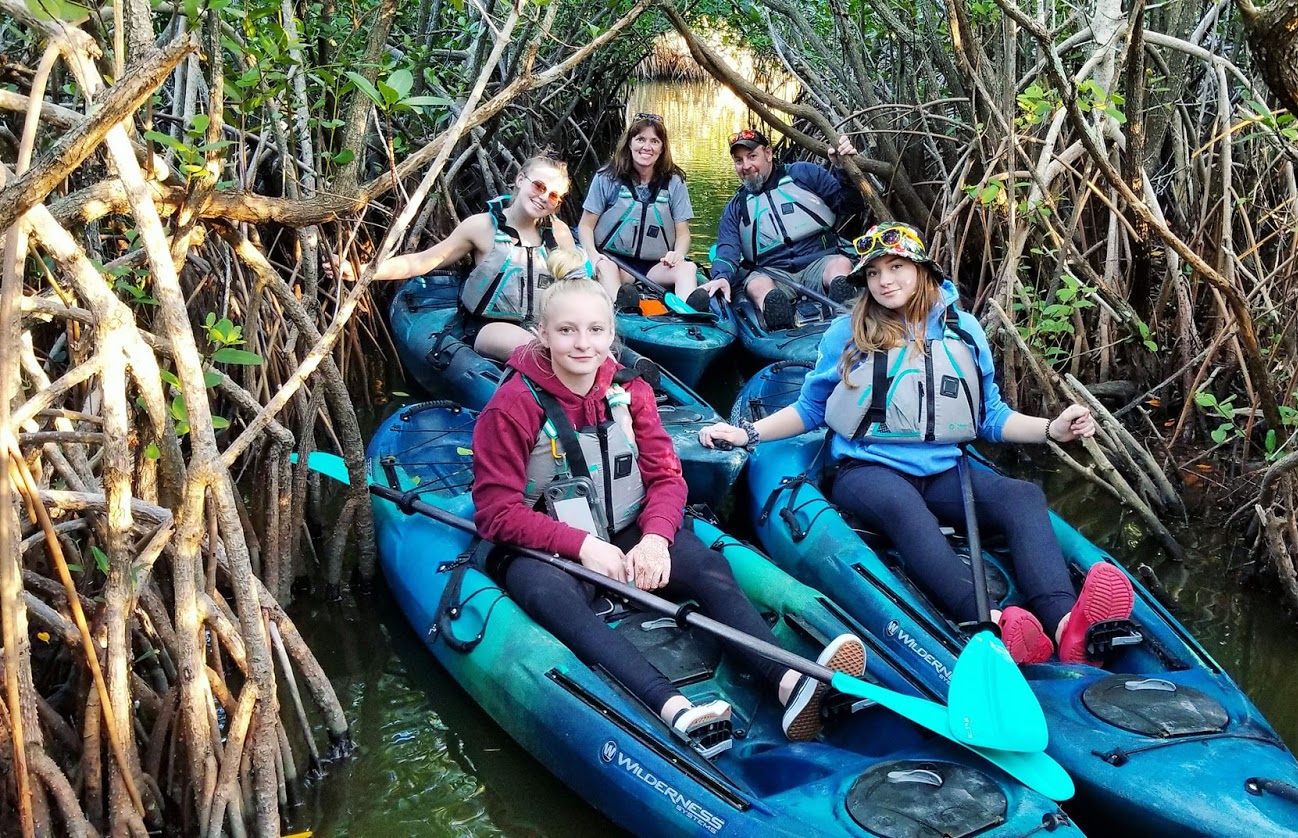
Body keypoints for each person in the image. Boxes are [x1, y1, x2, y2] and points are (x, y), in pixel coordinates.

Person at [699, 223, 1135, 666]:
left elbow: (990, 418)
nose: (883, 281)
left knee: (1023, 496)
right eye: (873, 273)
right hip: (867, 471)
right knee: (904, 508)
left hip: (943, 471)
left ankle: (1065, 624)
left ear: (922, 270)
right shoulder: (846, 333)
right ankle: (992, 622)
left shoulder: (964, 331)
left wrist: (1052, 429)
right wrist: (747, 434)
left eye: (896, 267)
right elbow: (810, 409)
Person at [473, 277, 867, 755]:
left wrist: (656, 538)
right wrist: (584, 546)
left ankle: (786, 679)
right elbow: (495, 514)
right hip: (550, 545)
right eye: (567, 330)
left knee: (705, 565)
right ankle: (672, 706)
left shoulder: (631, 388)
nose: (582, 344)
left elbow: (666, 478)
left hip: (629, 528)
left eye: (595, 330)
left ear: (611, 332)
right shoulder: (512, 405)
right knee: (549, 595)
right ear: (543, 333)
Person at [373, 155, 578, 361]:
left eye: (553, 196)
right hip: (487, 327)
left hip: (541, 328)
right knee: (541, 352)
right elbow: (421, 262)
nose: (544, 197)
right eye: (539, 186)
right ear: (520, 179)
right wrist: (366, 271)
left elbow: (578, 287)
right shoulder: (481, 226)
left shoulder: (559, 233)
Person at [699, 129, 861, 331]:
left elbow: (850, 204)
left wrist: (843, 169)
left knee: (841, 265)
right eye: (739, 161)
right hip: (771, 272)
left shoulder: (804, 174)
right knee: (757, 286)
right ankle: (781, 328)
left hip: (820, 260)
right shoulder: (735, 207)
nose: (746, 166)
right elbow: (726, 250)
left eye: (752, 156)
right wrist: (722, 277)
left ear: (768, 153)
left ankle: (846, 325)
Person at [578, 113, 706, 313]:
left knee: (688, 268)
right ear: (629, 143)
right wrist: (593, 256)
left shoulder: (674, 182)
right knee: (604, 267)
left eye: (654, 141)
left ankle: (688, 316)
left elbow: (683, 234)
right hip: (616, 264)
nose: (647, 147)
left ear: (662, 148)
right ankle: (624, 311)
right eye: (640, 139)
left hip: (657, 267)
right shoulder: (606, 178)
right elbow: (586, 226)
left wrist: (678, 254)